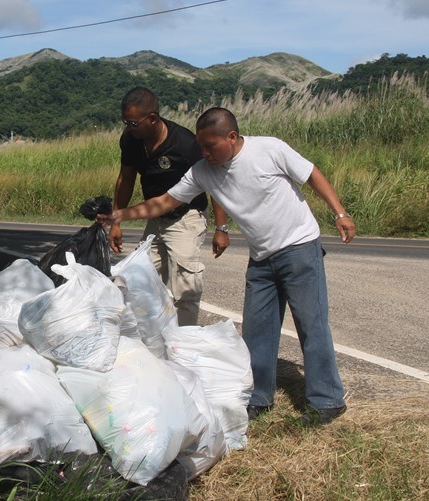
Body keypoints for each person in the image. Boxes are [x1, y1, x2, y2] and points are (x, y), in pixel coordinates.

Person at [101, 107, 354, 426]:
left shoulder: (269, 149)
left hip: (299, 247)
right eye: (201, 147)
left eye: (210, 146)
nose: (205, 153)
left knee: (311, 324)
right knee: (257, 329)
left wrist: (340, 213)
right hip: (261, 257)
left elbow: (311, 173)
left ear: (232, 137)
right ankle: (258, 398)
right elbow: (164, 202)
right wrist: (120, 215)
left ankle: (327, 400)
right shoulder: (203, 171)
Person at [110, 87, 217, 326]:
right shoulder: (131, 139)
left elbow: (213, 183)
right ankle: (146, 334)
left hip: (186, 216)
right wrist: (116, 221)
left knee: (185, 286)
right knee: (136, 277)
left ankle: (184, 340)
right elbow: (126, 178)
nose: (128, 128)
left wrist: (222, 228)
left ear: (152, 118)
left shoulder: (185, 144)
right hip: (156, 217)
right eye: (125, 122)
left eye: (133, 123)